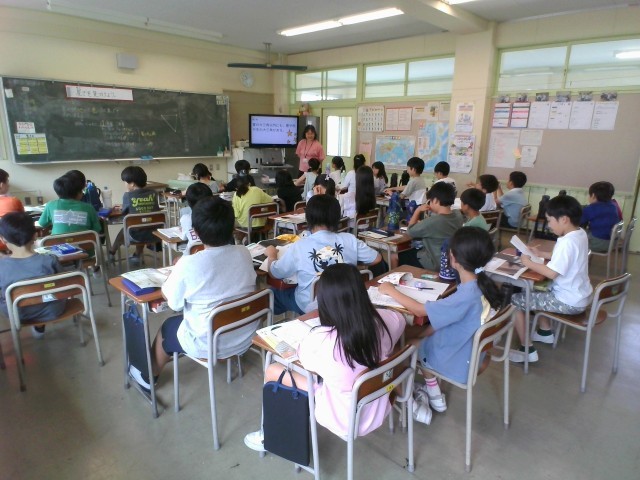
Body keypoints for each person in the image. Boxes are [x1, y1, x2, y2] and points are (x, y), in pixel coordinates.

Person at [244, 263, 405, 451]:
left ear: (325, 301)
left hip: (342, 419)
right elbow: (400, 320)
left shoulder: (324, 341)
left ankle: (269, 435)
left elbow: (302, 357)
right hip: (378, 405)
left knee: (274, 369)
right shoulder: (383, 322)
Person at [129, 197, 257, 390]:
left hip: (208, 344)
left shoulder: (189, 264)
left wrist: (175, 273)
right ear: (232, 228)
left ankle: (149, 376)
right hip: (245, 335)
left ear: (195, 232)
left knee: (167, 327)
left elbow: (173, 303)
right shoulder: (243, 252)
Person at [379, 227, 502, 424]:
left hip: (457, 361)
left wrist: (390, 290)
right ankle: (435, 396)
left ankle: (412, 404)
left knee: (397, 349)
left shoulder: (466, 295)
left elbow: (419, 310)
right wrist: (424, 335)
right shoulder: (481, 285)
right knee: (419, 335)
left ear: (454, 258)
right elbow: (445, 321)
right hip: (471, 354)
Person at [264, 194, 382, 315]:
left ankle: (287, 324)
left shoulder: (299, 246)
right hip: (346, 300)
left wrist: (272, 255)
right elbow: (377, 258)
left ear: (308, 217)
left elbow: (275, 273)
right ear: (337, 217)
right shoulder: (350, 239)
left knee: (273, 294)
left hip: (312, 305)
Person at [509, 195, 592, 363]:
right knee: (536, 288)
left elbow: (551, 273)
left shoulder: (566, 242)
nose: (548, 225)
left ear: (564, 219)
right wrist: (541, 254)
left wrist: (528, 262)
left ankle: (527, 350)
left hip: (568, 301)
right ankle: (544, 331)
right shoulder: (580, 233)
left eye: (549, 220)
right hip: (581, 295)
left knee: (515, 301)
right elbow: (566, 258)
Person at [0, 211, 67, 339]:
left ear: (2, 239)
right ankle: (39, 325)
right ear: (35, 236)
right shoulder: (49, 260)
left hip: (18, 314)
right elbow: (65, 283)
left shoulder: (1, 266)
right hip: (53, 310)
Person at [399, 182, 463, 271]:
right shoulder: (458, 215)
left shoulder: (433, 221)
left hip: (434, 262)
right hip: (451, 260)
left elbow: (409, 232)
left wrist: (418, 210)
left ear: (435, 200)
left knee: (397, 255)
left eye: (430, 201)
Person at [107, 166, 161, 264]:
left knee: (127, 229)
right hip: (154, 234)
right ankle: (137, 254)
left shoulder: (127, 195)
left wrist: (124, 205)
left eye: (125, 182)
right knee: (141, 223)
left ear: (132, 183)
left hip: (136, 235)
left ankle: (112, 252)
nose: (124, 184)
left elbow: (124, 212)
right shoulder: (153, 193)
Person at [581, 181, 621, 253]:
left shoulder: (592, 208)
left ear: (593, 195)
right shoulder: (613, 206)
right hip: (612, 242)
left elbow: (578, 221)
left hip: (599, 243)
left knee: (574, 235)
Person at [179, 182, 214, 255]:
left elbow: (183, 238)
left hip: (191, 255)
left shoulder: (185, 219)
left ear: (188, 201)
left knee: (176, 260)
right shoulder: (218, 217)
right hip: (215, 254)